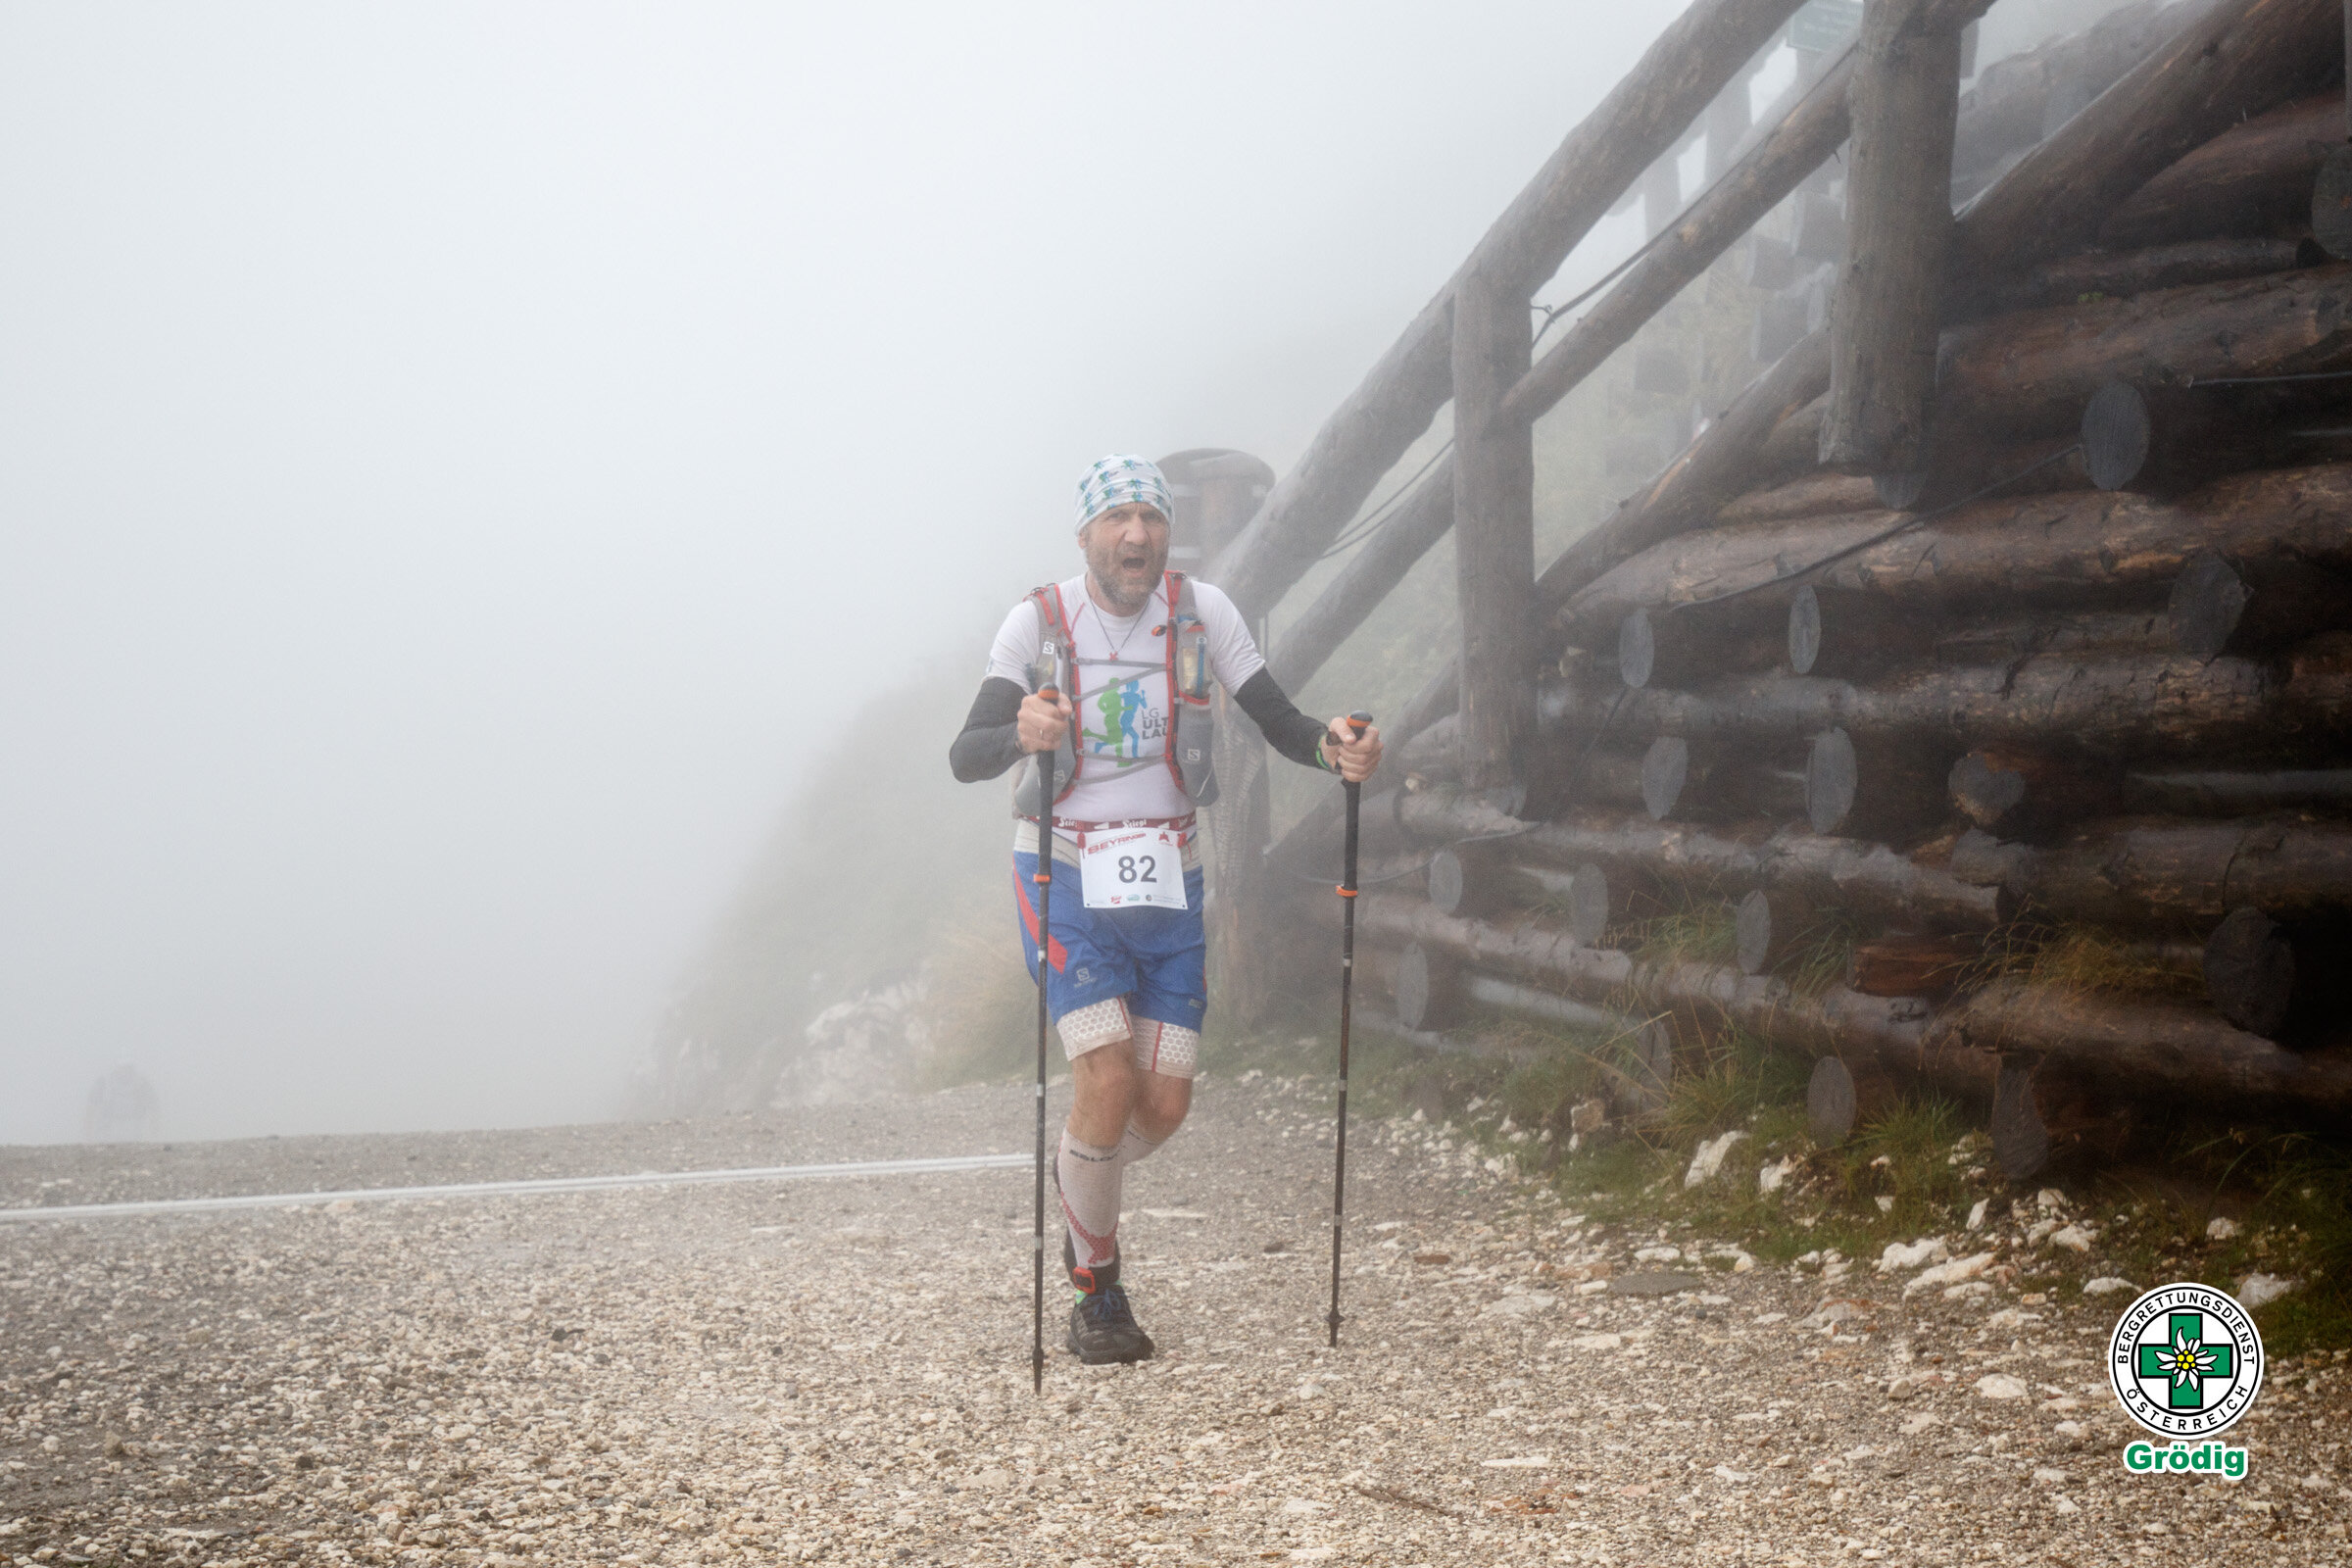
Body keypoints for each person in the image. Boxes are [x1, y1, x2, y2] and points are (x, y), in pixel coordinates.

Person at [950, 454, 1382, 1363]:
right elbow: (968, 751)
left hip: (1167, 878)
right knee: (1105, 1078)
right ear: (1086, 536)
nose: (1136, 534)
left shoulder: (1202, 612)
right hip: (1061, 872)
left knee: (1164, 1101)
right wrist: (1019, 731)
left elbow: (1278, 717)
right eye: (1117, 520)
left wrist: (1333, 746)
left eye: (1150, 517)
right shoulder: (1039, 619)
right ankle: (1096, 1287)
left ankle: (1080, 1170)